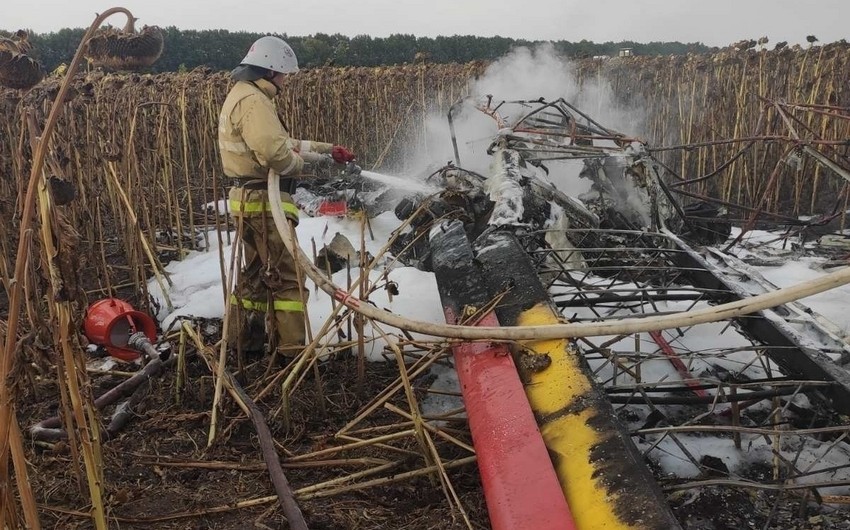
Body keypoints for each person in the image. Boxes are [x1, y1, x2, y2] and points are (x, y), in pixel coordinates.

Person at [218, 35, 355, 359]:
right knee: (288, 278)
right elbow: (273, 151)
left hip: (247, 202)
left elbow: (281, 141)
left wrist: (326, 153)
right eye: (283, 75)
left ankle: (243, 342)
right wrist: (295, 167)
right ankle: (293, 351)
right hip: (264, 204)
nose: (285, 81)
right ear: (269, 71)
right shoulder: (254, 101)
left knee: (254, 275)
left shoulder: (242, 95)